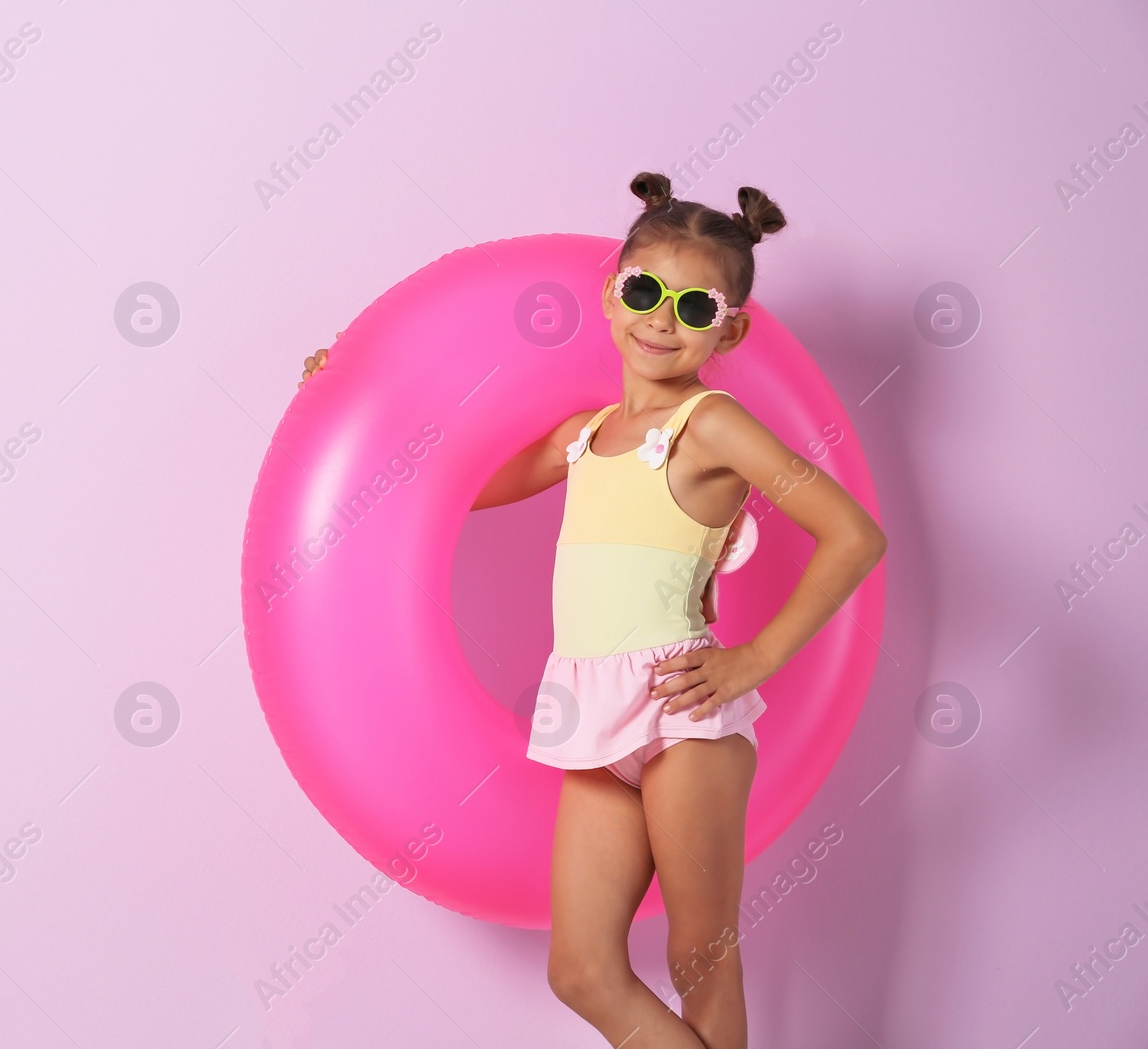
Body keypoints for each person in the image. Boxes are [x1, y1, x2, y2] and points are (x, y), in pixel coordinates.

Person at [299, 171, 886, 1048]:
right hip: (589, 710)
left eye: (695, 306)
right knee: (580, 969)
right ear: (611, 294)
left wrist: (753, 660)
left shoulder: (711, 422)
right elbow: (454, 486)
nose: (661, 319)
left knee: (700, 954)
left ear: (732, 328)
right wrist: (356, 398)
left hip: (684, 714)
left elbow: (854, 535)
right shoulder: (583, 432)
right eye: (645, 291)